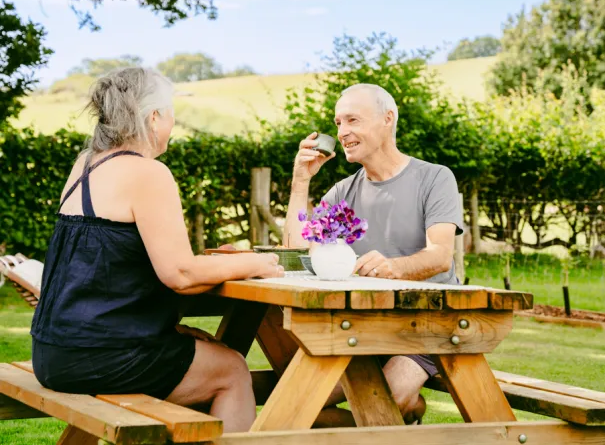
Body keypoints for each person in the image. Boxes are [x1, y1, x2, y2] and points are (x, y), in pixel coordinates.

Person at [30, 67, 283, 433]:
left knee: (201, 344)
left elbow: (120, 262)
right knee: (230, 369)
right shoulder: (148, 172)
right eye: (170, 112)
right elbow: (179, 274)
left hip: (53, 352)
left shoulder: (85, 165)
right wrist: (255, 261)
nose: (172, 123)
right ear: (153, 118)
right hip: (100, 356)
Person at [283, 83, 463, 425]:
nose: (342, 132)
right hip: (366, 329)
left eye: (352, 120)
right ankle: (411, 412)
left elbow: (440, 256)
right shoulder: (343, 192)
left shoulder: (435, 178)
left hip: (428, 327)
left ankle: (406, 408)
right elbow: (295, 250)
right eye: (337, 123)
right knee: (299, 397)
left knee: (383, 403)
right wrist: (300, 181)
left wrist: (393, 267)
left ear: (387, 119)